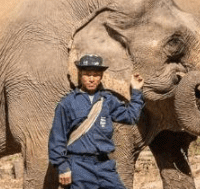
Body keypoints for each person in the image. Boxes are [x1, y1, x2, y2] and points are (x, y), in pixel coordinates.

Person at [48, 54, 144, 189]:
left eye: (96, 74)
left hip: (105, 165)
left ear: (101, 76)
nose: (91, 79)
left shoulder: (108, 100)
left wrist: (136, 91)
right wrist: (63, 166)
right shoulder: (67, 103)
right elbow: (57, 138)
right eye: (87, 74)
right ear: (80, 74)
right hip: (79, 167)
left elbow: (131, 117)